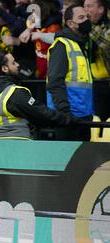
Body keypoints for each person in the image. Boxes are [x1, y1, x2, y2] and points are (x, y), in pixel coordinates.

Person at [0, 51, 76, 139]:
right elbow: (41, 113)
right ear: (5, 68)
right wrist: (68, 119)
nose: (18, 65)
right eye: (14, 63)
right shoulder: (14, 93)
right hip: (16, 147)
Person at [46, 4, 94, 141]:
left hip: (83, 115)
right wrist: (65, 113)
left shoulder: (80, 44)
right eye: (81, 17)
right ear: (70, 23)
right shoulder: (62, 45)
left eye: (87, 16)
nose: (86, 20)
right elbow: (55, 82)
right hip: (68, 118)